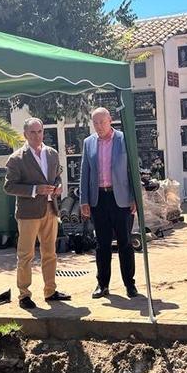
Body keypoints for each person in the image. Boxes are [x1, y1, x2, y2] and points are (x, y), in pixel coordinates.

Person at [4, 117, 70, 309]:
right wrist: (35, 189)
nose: (36, 135)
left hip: (50, 209)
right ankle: (24, 295)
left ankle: (50, 291)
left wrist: (58, 187)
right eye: (32, 132)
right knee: (26, 255)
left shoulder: (52, 153)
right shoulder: (17, 158)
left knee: (50, 253)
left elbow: (56, 176)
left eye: (39, 131)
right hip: (28, 214)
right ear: (25, 134)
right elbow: (9, 186)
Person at [80, 107, 139, 299]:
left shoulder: (124, 139)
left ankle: (130, 285)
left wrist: (134, 197)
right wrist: (84, 200)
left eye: (102, 122)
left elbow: (133, 170)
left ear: (110, 120)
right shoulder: (89, 143)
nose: (98, 126)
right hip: (99, 199)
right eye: (95, 123)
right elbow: (84, 173)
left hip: (121, 198)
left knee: (125, 243)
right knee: (102, 244)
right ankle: (102, 284)